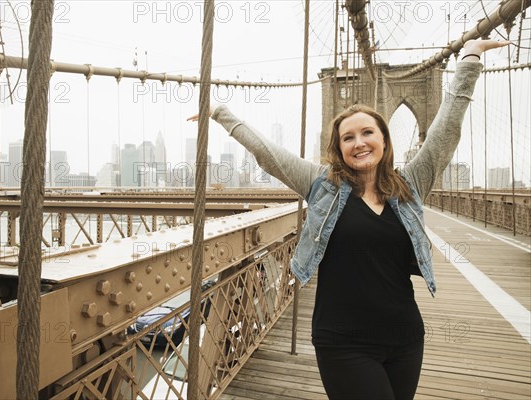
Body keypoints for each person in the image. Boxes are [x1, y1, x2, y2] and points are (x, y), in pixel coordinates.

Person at [188, 39, 509, 399]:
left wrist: (470, 57)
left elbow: (445, 131)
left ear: (384, 140)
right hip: (342, 342)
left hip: (404, 338)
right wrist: (219, 112)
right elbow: (269, 155)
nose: (359, 142)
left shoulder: (410, 186)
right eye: (348, 137)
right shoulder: (321, 186)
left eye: (368, 132)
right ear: (339, 147)